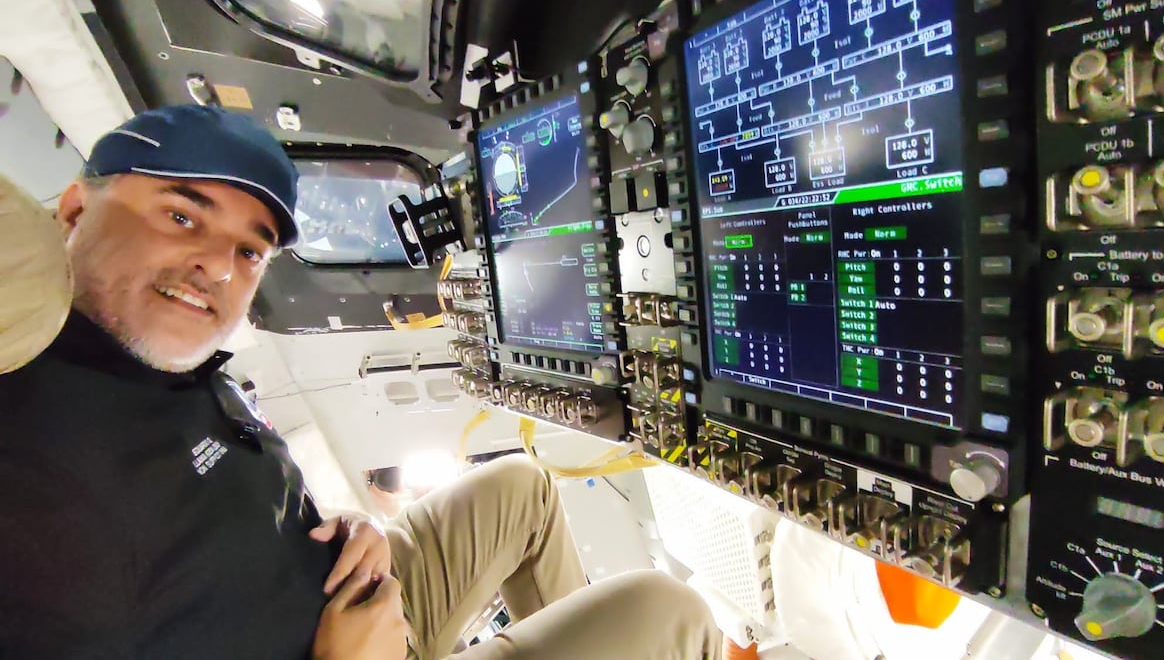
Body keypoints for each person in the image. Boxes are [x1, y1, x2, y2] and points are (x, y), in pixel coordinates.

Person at [0, 104, 723, 659]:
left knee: (523, 489)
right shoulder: (36, 485)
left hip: (353, 584)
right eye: (182, 214)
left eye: (249, 250)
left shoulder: (152, 357)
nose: (219, 266)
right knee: (671, 611)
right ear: (72, 210)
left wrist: (333, 524)